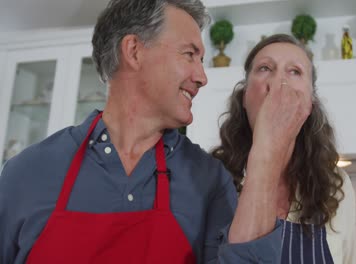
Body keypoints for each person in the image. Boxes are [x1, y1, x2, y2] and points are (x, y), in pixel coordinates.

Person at [0, 1, 285, 263]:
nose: (202, 77)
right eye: (189, 54)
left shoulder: (209, 181)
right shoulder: (25, 174)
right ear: (134, 51)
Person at [212, 34, 356, 263]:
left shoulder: (337, 186)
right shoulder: (210, 177)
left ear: (311, 104)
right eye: (264, 68)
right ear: (244, 97)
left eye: (295, 71)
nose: (279, 84)